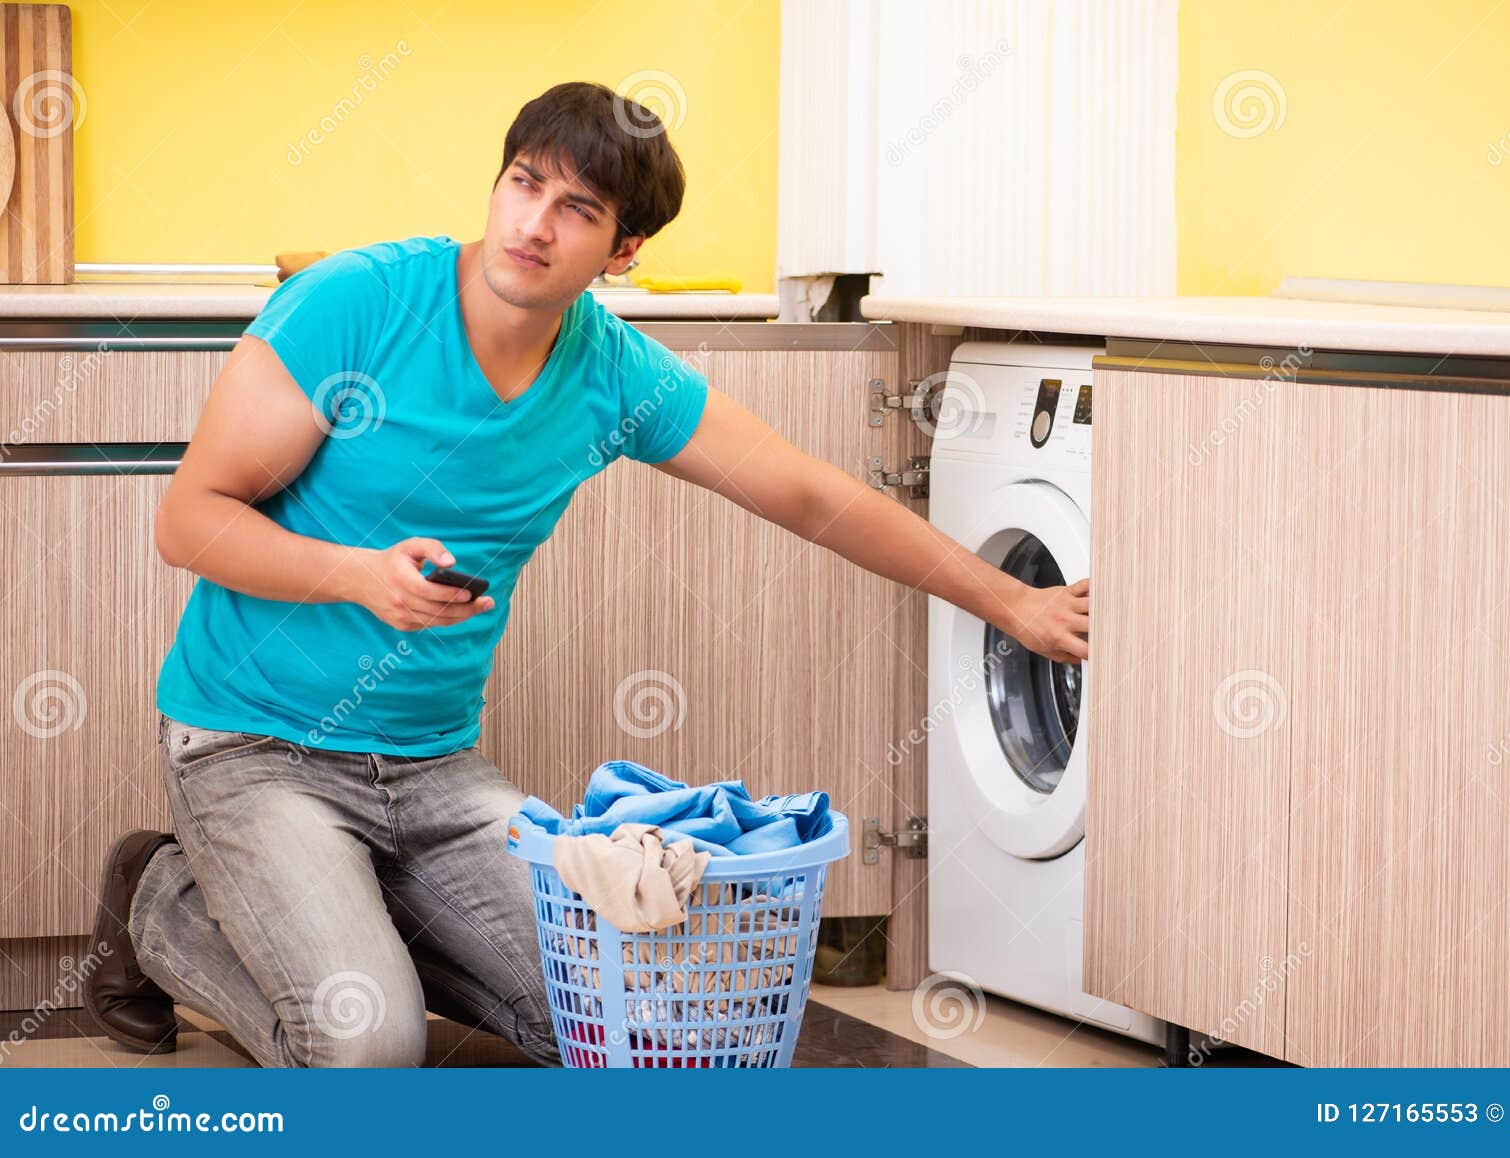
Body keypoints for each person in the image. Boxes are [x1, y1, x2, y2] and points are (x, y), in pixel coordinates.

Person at [86, 81, 1089, 1066]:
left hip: (433, 769)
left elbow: (810, 497)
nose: (533, 224)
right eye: (523, 184)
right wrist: (357, 575)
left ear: (621, 250)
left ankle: (356, 917)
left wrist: (1014, 601)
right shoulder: (357, 304)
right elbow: (189, 519)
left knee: (624, 1027)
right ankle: (158, 900)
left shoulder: (613, 375)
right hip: (254, 747)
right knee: (366, 1048)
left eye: (576, 209)